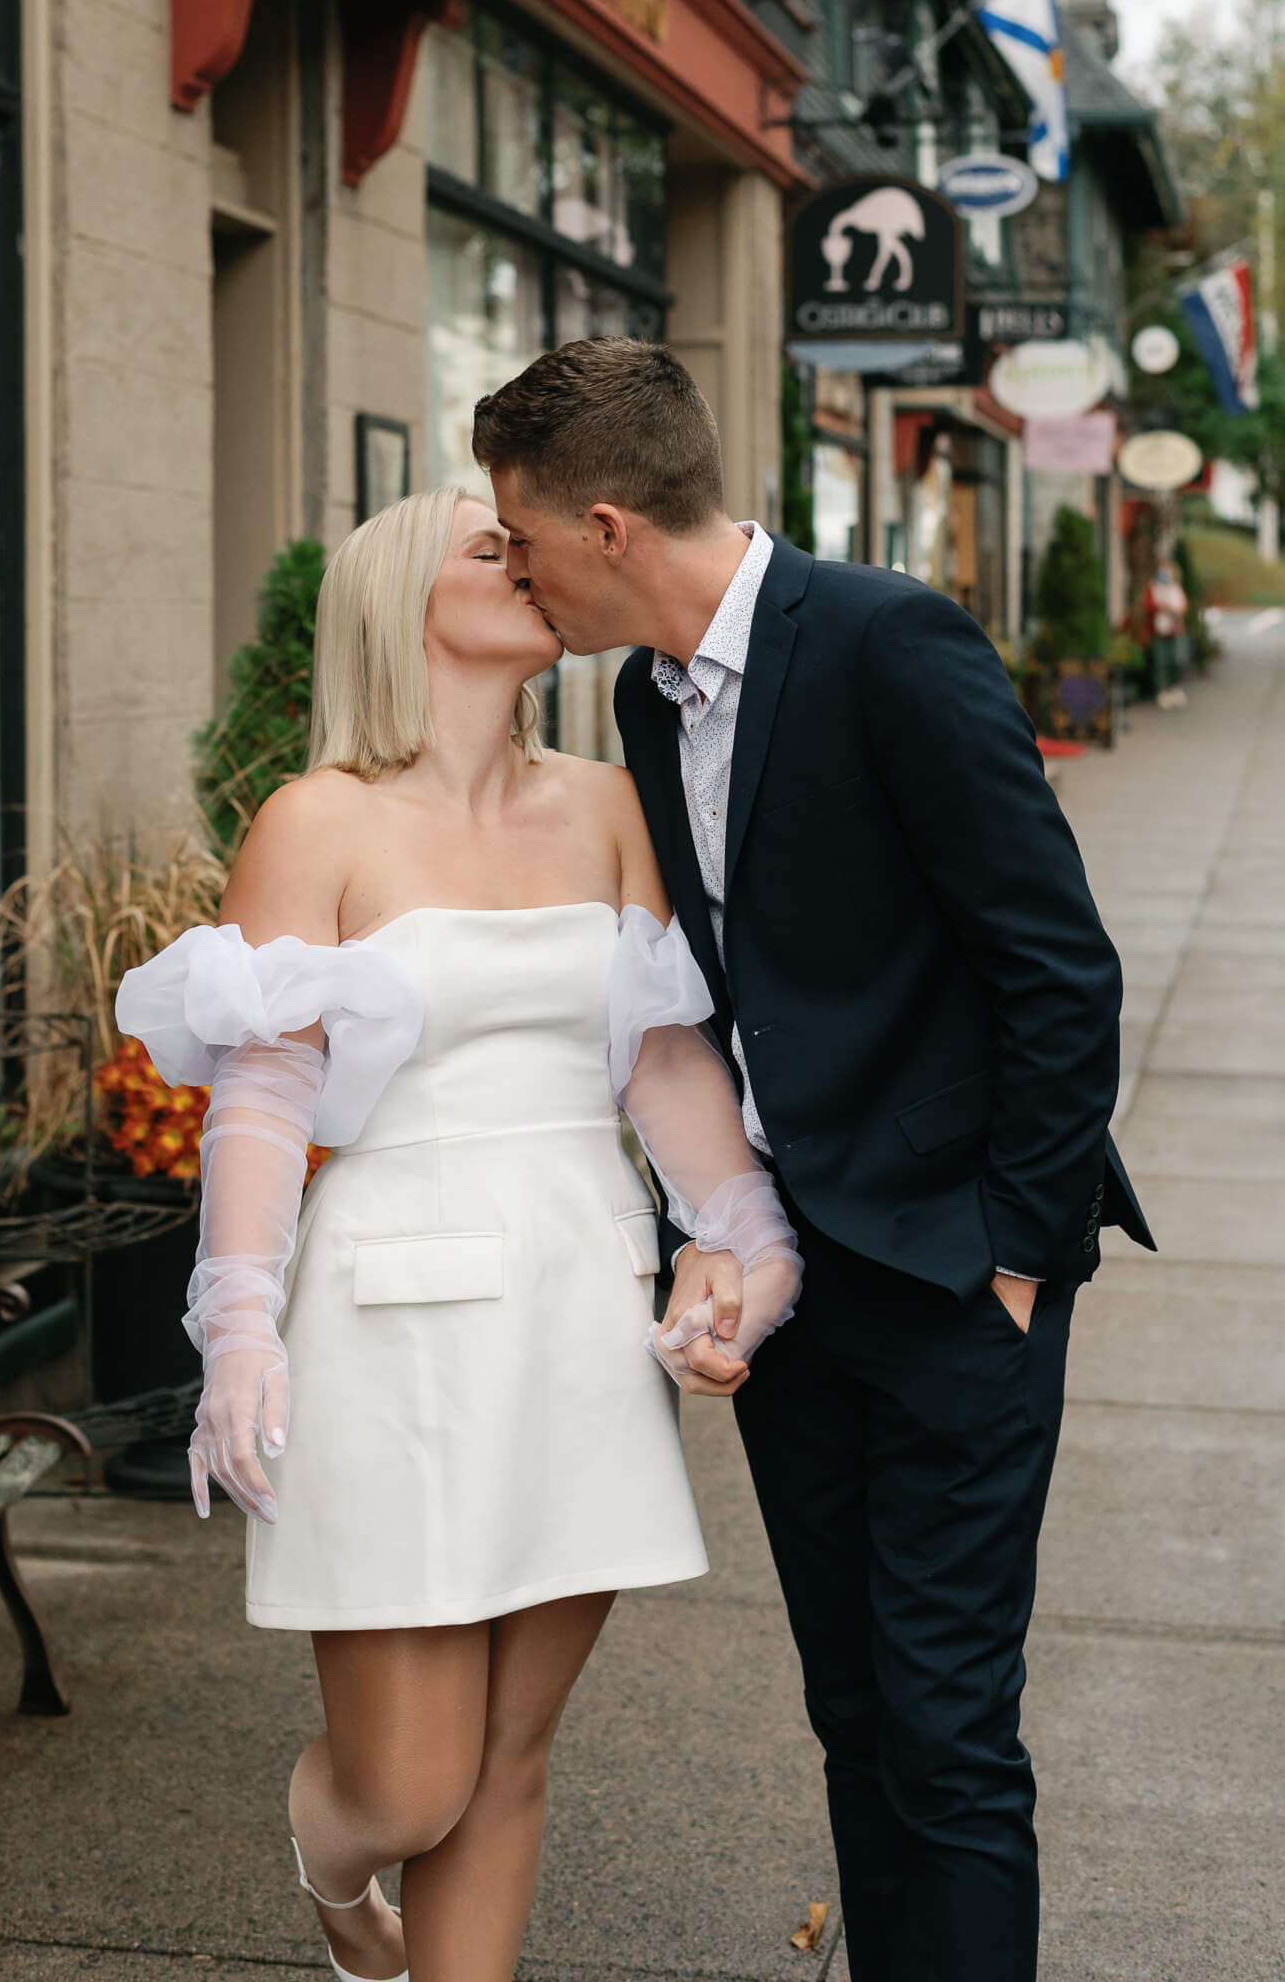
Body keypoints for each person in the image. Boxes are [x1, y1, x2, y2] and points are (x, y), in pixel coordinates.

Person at [472, 337, 1155, 1982]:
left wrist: (1015, 1252)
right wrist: (726, 1231)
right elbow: (722, 990)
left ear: (613, 524)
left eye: (523, 533)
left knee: (947, 1736)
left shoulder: (881, 642)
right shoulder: (644, 696)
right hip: (798, 1282)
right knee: (853, 1717)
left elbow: (1056, 966)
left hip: (949, 1273)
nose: (517, 567)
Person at [114, 486, 803, 1982]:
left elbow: (666, 1061)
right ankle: (326, 1840)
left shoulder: (614, 802)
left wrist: (746, 1242)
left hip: (580, 1304)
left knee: (509, 1764)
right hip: (383, 1323)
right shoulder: (321, 820)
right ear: (397, 605)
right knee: (410, 1784)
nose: (530, 561)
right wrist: (235, 1329)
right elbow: (262, 1095)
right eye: (491, 548)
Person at [1143, 557, 1189, 709]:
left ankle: (1174, 689)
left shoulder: (1176, 588)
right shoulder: (1153, 588)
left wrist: (1172, 608)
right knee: (1161, 662)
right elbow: (1149, 606)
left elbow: (1183, 606)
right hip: (1159, 632)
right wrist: (1163, 606)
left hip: (1175, 632)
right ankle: (1162, 692)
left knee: (1176, 661)